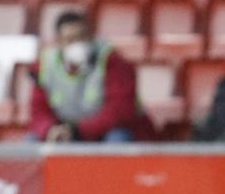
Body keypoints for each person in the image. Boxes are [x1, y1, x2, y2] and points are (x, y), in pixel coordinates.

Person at [30, 11, 155, 143]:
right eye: (70, 39)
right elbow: (38, 111)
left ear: (91, 35)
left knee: (118, 138)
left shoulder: (112, 61)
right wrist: (50, 130)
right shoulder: (45, 66)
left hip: (106, 131)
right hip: (69, 133)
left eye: (82, 37)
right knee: (32, 140)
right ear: (59, 42)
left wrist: (78, 131)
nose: (77, 44)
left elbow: (119, 112)